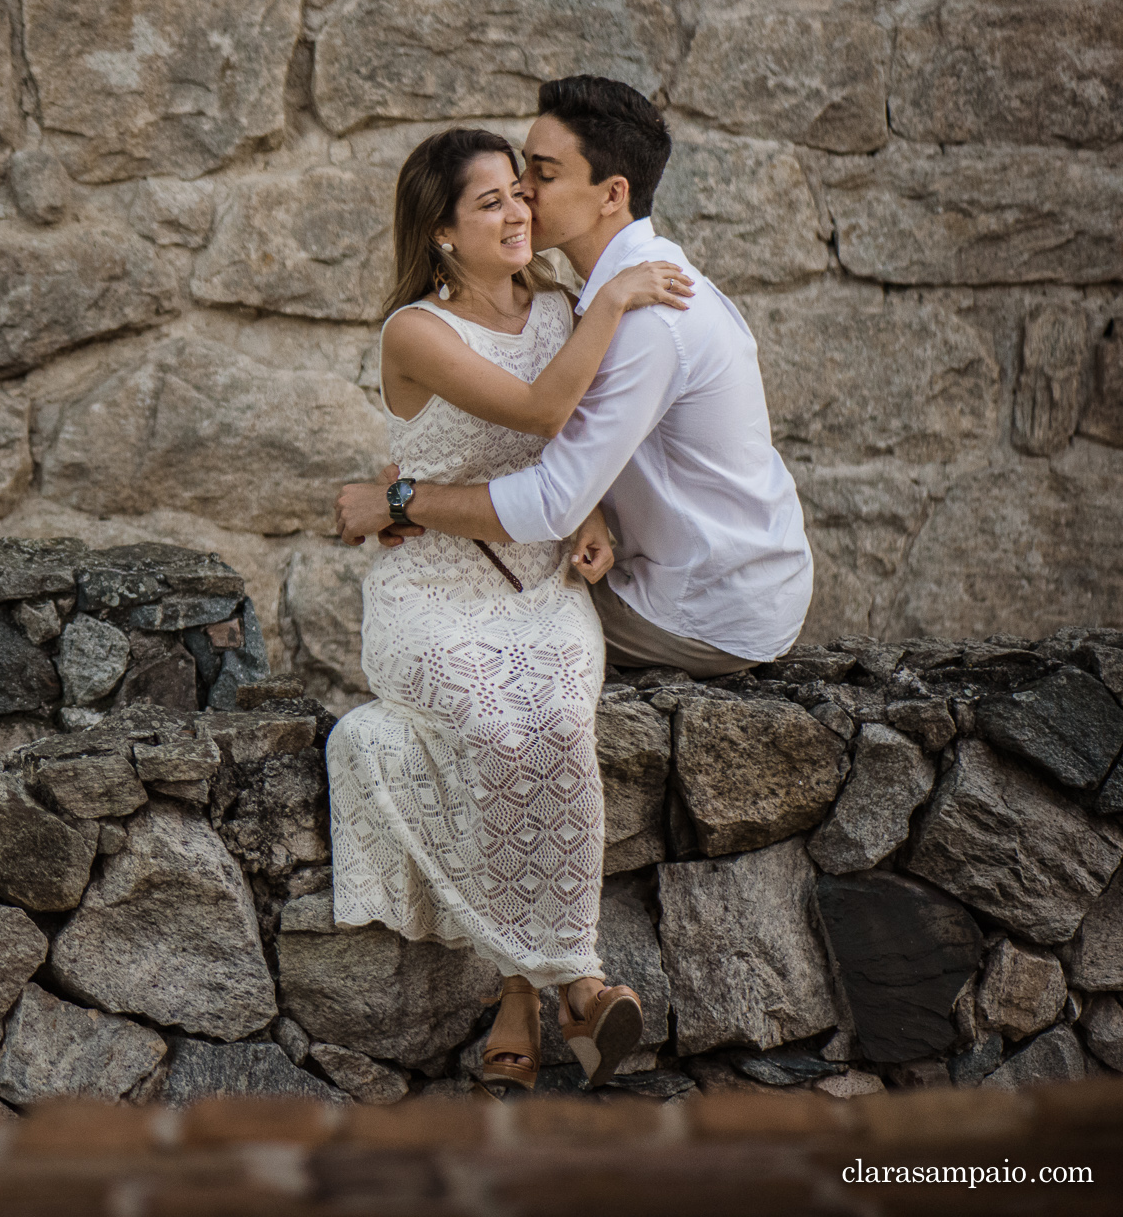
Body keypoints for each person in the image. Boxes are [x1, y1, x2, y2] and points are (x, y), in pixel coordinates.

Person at [324, 124, 693, 1092]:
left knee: (556, 722)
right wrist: (613, 297)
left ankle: (520, 997)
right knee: (492, 720)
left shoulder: (560, 305)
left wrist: (598, 517)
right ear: (441, 233)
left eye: (517, 195)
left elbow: (575, 452)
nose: (517, 211)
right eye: (488, 202)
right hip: (428, 592)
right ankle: (574, 980)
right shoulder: (414, 330)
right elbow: (537, 411)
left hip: (539, 588)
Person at [335, 75, 814, 679]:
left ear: (611, 194)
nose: (523, 197)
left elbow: (553, 498)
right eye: (515, 181)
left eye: (542, 175)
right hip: (717, 574)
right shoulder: (598, 300)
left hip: (704, 606)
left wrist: (400, 503)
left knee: (497, 630)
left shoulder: (644, 320)